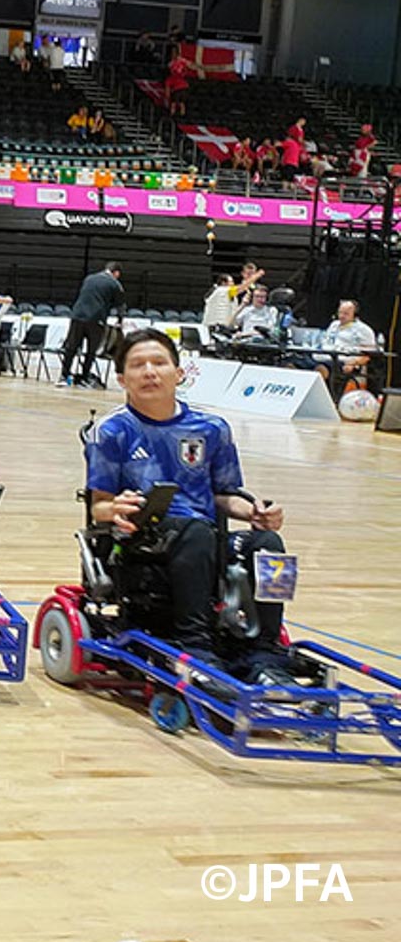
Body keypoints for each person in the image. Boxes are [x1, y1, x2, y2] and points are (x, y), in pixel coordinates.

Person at [85, 328, 292, 684]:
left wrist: (254, 513)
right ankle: (195, 645)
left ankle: (265, 651)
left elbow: (224, 494)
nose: (150, 371)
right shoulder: (112, 430)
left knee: (268, 546)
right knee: (195, 533)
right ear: (121, 379)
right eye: (138, 365)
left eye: (159, 363)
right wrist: (115, 508)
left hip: (204, 535)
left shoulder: (212, 428)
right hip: (144, 542)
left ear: (179, 374)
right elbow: (98, 508)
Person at [58, 261, 124, 389]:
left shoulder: (89, 278)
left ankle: (64, 376)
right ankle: (84, 377)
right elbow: (120, 305)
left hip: (77, 316)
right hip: (96, 319)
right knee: (91, 351)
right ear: (116, 273)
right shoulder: (114, 283)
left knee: (71, 348)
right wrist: (120, 320)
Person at [312, 299, 380, 398]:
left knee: (321, 369)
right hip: (322, 356)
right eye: (340, 312)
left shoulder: (364, 330)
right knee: (294, 362)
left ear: (355, 314)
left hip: (342, 362)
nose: (341, 316)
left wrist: (353, 363)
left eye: (346, 313)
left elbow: (368, 354)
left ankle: (321, 398)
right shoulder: (334, 325)